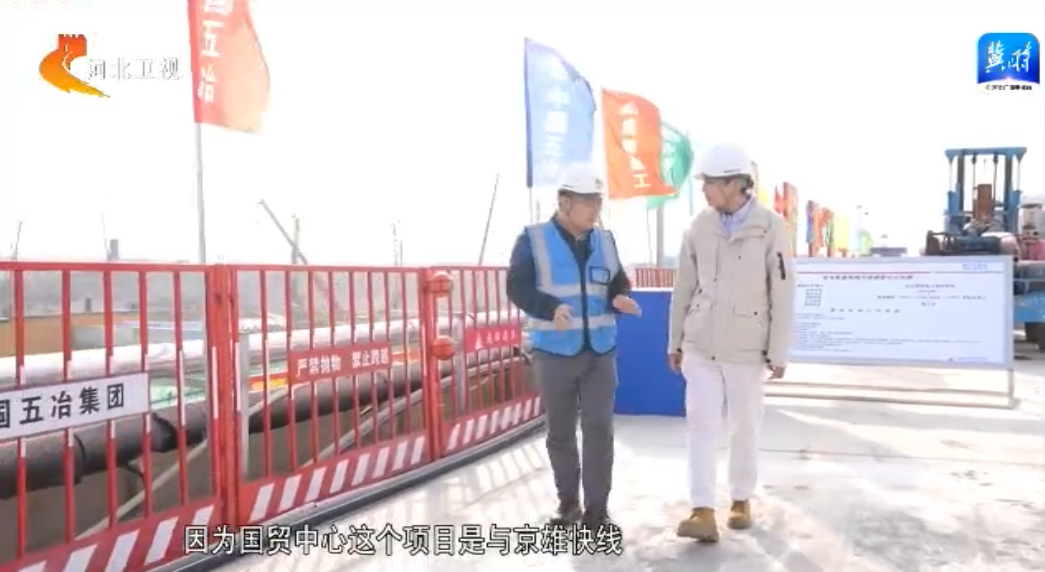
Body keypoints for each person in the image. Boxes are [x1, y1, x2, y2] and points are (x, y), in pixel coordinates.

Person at [666, 143, 795, 542]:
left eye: (709, 183)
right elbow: (683, 287)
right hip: (701, 344)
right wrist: (675, 341)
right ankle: (702, 509)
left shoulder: (771, 227)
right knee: (701, 425)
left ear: (734, 184)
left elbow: (783, 292)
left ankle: (740, 499)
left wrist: (779, 349)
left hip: (747, 347)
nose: (704, 190)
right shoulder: (698, 227)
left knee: (744, 427)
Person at [506, 161, 641, 530]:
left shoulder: (605, 240)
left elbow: (617, 280)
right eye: (588, 202)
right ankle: (568, 505)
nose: (595, 209)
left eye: (598, 201)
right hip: (554, 351)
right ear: (565, 202)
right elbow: (517, 287)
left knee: (599, 429)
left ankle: (597, 512)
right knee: (561, 432)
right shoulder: (532, 240)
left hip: (600, 352)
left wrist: (619, 296)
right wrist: (550, 308)